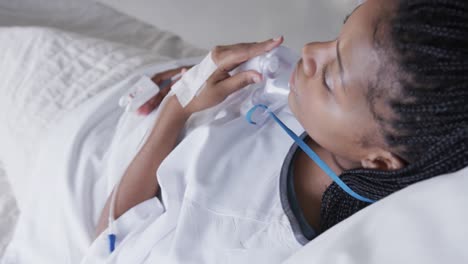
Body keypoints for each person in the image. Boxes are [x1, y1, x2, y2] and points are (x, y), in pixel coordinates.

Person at [3, 0, 468, 263]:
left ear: (381, 161)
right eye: (338, 34)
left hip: (73, 153)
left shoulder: (238, 239)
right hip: (130, 92)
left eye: (331, 73)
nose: (310, 51)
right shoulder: (333, 122)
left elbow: (111, 242)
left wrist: (176, 113)